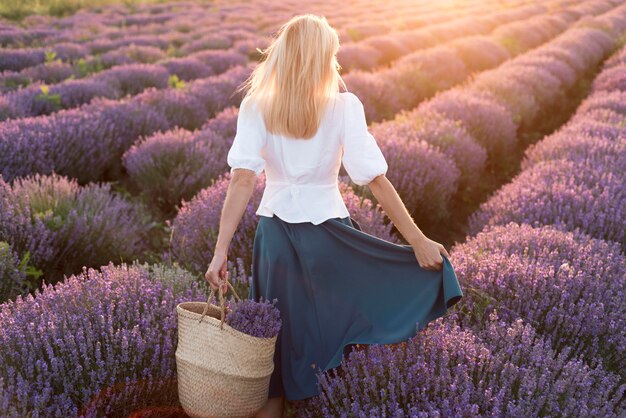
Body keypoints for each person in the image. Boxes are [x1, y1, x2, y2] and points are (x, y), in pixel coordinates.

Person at [204, 14, 463, 418]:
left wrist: (220, 251)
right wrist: (416, 240)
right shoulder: (344, 105)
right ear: (323, 57)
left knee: (275, 343)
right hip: (330, 238)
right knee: (340, 327)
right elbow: (373, 179)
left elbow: (241, 181)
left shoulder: (257, 106)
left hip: (274, 241)